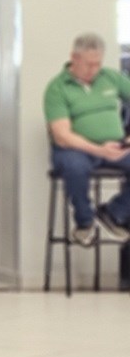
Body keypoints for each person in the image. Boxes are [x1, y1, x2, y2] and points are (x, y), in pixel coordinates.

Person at [45, 32, 130, 246]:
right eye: (89, 64)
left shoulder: (111, 78)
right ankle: (85, 222)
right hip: (75, 149)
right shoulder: (57, 88)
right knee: (74, 166)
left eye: (98, 64)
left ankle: (113, 212)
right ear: (74, 58)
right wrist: (100, 150)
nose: (94, 70)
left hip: (115, 146)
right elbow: (62, 136)